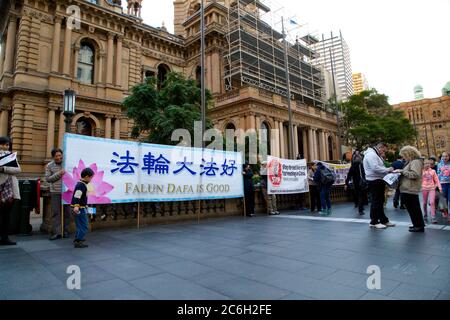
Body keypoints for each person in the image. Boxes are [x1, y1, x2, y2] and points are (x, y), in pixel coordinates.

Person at [363, 142, 395, 229]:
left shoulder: (375, 154)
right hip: (374, 180)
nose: (384, 153)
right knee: (376, 201)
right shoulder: (371, 155)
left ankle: (383, 220)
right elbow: (375, 168)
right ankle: (374, 221)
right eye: (384, 151)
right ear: (380, 147)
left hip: (377, 179)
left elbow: (378, 166)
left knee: (380, 201)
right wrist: (388, 170)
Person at [394, 146, 425, 232]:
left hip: (411, 188)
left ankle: (419, 225)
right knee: (412, 208)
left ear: (409, 154)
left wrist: (402, 171)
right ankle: (417, 224)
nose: (403, 157)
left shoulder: (415, 162)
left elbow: (415, 174)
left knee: (414, 208)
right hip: (407, 188)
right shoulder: (411, 161)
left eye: (404, 155)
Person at [45, 148, 71, 240]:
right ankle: (57, 233)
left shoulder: (66, 164)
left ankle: (66, 231)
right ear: (53, 157)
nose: (59, 157)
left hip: (67, 192)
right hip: (55, 192)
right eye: (56, 156)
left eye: (60, 155)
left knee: (67, 213)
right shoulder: (49, 165)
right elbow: (48, 179)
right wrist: (59, 173)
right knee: (56, 213)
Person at [0, 136, 21, 245]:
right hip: (0, 187)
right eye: (3, 144)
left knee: (6, 215)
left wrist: (3, 169)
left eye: (7, 145)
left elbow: (18, 169)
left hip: (10, 188)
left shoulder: (11, 157)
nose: (5, 146)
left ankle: (5, 237)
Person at [71, 167, 94, 248]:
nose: (91, 179)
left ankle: (77, 238)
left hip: (80, 207)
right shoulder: (82, 185)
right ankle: (79, 240)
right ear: (87, 176)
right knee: (84, 225)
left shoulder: (80, 184)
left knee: (79, 225)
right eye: (91, 177)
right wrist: (76, 206)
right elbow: (77, 196)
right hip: (80, 209)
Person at [345, 150, 367, 215]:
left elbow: (349, 175)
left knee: (358, 195)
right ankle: (361, 209)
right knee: (361, 195)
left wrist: (346, 183)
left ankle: (359, 206)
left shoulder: (353, 166)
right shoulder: (361, 166)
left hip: (356, 183)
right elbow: (365, 174)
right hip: (362, 182)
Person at [422, 159, 442, 224]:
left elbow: (437, 180)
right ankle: (425, 214)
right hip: (424, 188)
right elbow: (418, 180)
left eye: (428, 163)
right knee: (424, 203)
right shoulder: (421, 171)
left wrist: (439, 187)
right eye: (425, 163)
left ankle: (433, 217)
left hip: (432, 188)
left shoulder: (433, 171)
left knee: (432, 202)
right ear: (423, 164)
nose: (427, 165)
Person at [437, 152, 450, 219]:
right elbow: (438, 175)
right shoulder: (439, 165)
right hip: (442, 184)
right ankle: (445, 212)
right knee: (444, 199)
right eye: (443, 156)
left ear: (449, 157)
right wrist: (439, 185)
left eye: (446, 156)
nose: (445, 157)